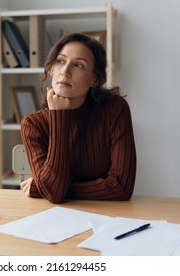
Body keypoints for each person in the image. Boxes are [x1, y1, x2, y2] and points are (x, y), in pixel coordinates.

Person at [20, 32, 136, 204]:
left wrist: (43, 187)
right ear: (51, 69)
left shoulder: (114, 110)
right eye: (60, 61)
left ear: (94, 79)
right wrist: (59, 117)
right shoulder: (33, 124)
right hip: (54, 220)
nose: (65, 71)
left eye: (79, 65)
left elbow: (121, 187)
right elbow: (54, 195)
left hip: (107, 217)